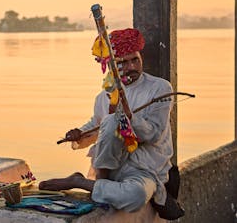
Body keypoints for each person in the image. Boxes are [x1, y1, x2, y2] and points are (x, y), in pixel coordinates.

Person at [39, 28, 183, 217]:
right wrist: (79, 133)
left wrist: (128, 116)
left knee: (137, 195)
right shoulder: (105, 95)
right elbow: (97, 125)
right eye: (124, 62)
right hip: (113, 169)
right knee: (110, 120)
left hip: (144, 169)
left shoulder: (159, 88)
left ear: (141, 58)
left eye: (135, 60)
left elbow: (153, 133)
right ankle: (102, 180)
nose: (132, 67)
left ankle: (81, 182)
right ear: (113, 66)